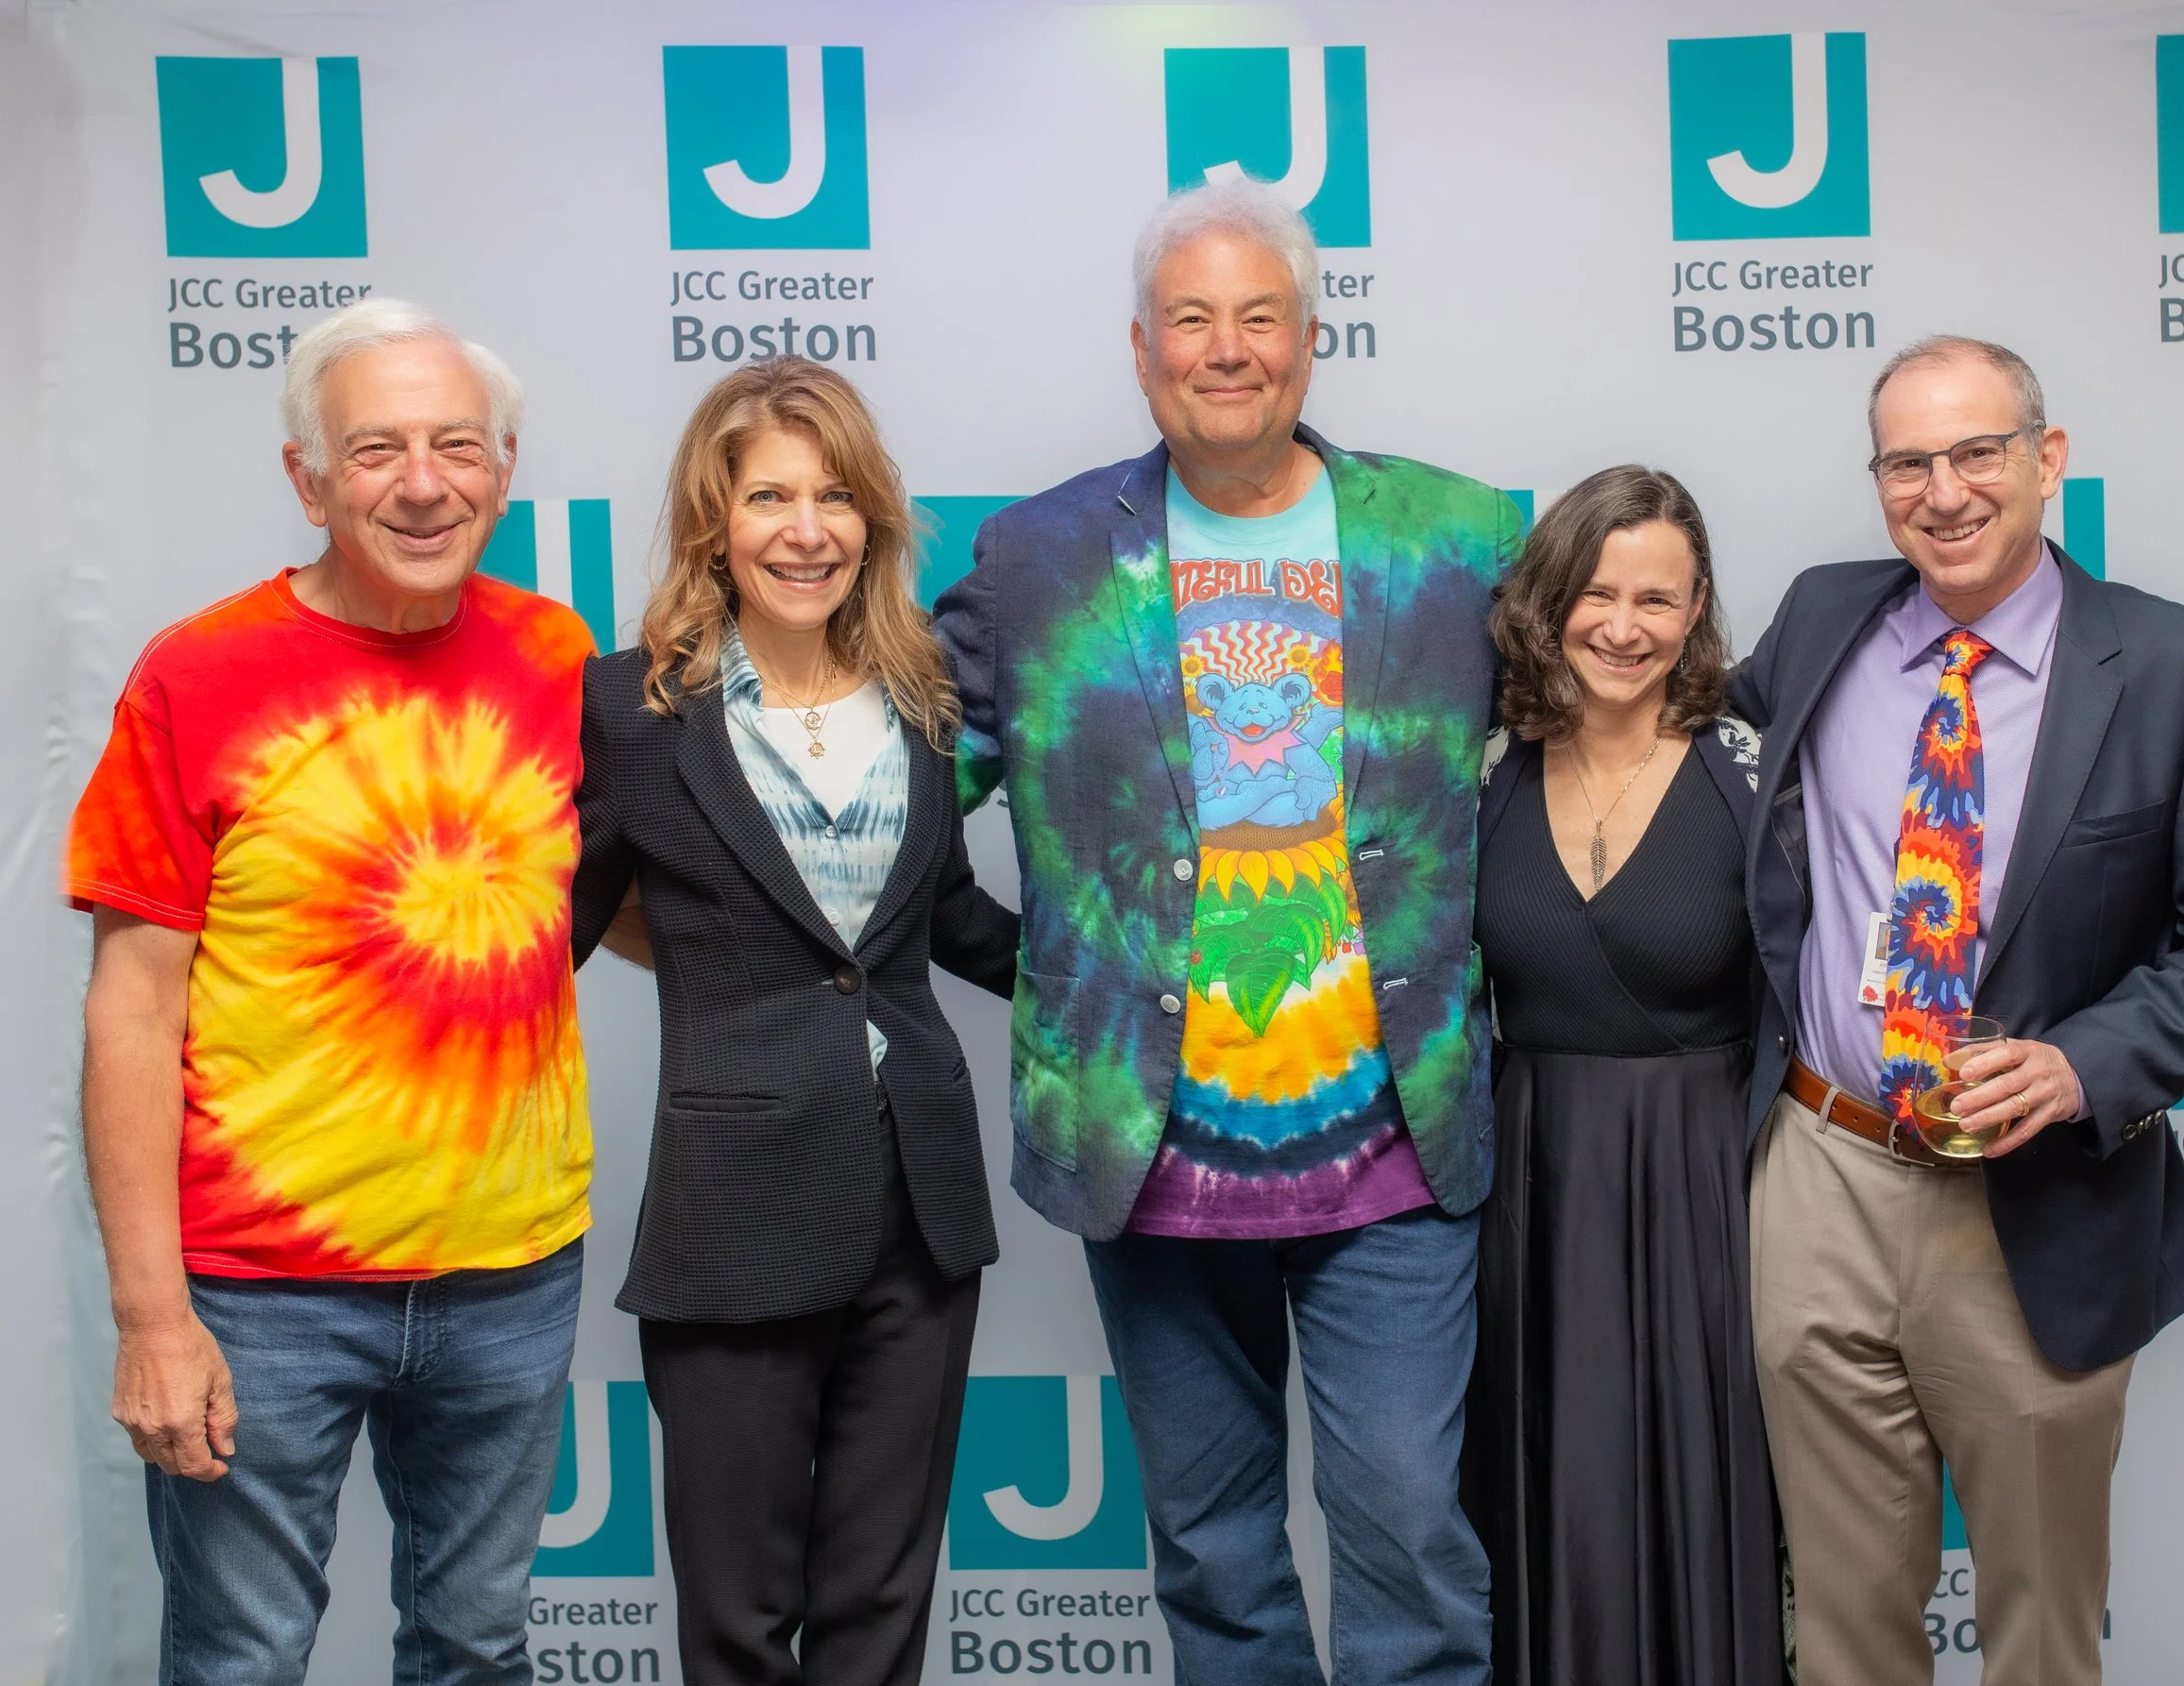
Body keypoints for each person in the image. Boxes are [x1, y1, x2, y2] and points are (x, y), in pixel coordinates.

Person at [933, 177, 1515, 1686]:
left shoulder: (1457, 539)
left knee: (1408, 1530)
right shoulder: (1037, 559)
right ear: (1141, 352)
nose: (1228, 348)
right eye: (1192, 320)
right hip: (1152, 1145)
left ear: (1313, 341)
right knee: (1213, 1552)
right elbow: (900, 788)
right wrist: (1052, 969)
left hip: (1395, 1139)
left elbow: (1595, 746)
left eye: (1260, 317)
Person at [1729, 335, 2184, 1686]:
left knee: (2042, 1627)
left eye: (1977, 451)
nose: (1944, 490)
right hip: (1822, 1168)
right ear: (1877, 481)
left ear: (2048, 460)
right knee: (1843, 1621)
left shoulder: (2183, 671)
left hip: (2034, 1202)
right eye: (1909, 461)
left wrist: (2082, 1064)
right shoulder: (1821, 621)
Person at [67, 298, 594, 1682]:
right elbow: (131, 1006)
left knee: (478, 1648)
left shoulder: (557, 654)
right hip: (259, 1294)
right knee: (241, 1656)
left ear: (505, 463)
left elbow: (623, 905)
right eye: (375, 449)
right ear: (307, 478)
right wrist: (149, 1317)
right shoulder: (198, 673)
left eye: (455, 445)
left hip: (511, 1273)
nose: (423, 482)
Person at [570, 358, 1018, 1686]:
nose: (805, 528)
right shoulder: (628, 711)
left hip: (921, 1215)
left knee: (882, 1610)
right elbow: (554, 925)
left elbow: (946, 920)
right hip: (732, 1217)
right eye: (768, 495)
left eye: (834, 496)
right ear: (714, 522)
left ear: (871, 518)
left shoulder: (926, 701)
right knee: (738, 1620)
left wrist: (1140, 995)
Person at [1463, 465, 1782, 1686]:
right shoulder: (1481, 771)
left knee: (1712, 1499)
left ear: (1697, 609)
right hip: (1527, 1195)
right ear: (1549, 601)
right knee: (1548, 1495)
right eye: (1599, 591)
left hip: (1716, 1193)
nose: (1626, 624)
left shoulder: (1753, 773)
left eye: (1660, 597)